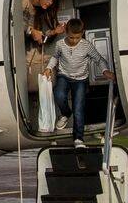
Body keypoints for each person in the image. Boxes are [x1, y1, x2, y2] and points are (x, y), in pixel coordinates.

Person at [48, 18, 115, 146]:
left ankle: (78, 138)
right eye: (71, 37)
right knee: (59, 95)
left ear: (82, 33)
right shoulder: (60, 44)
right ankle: (66, 113)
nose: (74, 41)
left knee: (78, 109)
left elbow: (99, 59)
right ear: (66, 32)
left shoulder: (87, 46)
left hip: (80, 80)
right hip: (64, 76)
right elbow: (55, 57)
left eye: (77, 38)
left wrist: (105, 70)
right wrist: (48, 68)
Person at [20, 0, 64, 130]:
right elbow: (14, 23)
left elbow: (41, 38)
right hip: (25, 58)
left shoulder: (38, 12)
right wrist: (31, 30)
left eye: (52, 0)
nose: (50, 2)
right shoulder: (25, 0)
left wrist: (54, 32)